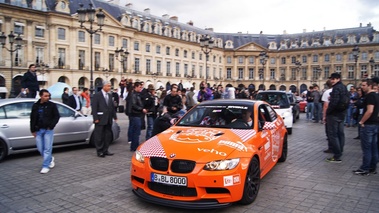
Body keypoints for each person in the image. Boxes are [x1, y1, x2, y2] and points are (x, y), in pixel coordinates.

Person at [30, 89, 60, 174]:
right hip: (38, 129)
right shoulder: (35, 106)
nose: (47, 97)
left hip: (48, 130)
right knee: (40, 148)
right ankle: (50, 159)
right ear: (41, 96)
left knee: (47, 148)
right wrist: (32, 130)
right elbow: (32, 118)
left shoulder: (52, 105)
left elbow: (57, 116)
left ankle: (45, 166)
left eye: (48, 96)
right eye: (45, 96)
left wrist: (51, 126)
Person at [353, 79, 379, 175]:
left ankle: (365, 168)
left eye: (364, 85)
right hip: (376, 124)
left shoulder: (370, 96)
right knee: (374, 147)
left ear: (370, 86)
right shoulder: (376, 95)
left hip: (368, 124)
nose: (362, 87)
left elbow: (370, 111)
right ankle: (372, 167)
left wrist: (361, 121)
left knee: (367, 148)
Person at [325, 73, 349, 163]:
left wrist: (328, 112)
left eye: (333, 79)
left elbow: (334, 102)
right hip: (342, 113)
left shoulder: (336, 88)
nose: (332, 80)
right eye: (331, 79)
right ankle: (340, 151)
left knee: (333, 135)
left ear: (338, 79)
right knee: (340, 134)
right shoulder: (344, 87)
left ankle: (336, 155)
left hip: (334, 115)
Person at [91, 81, 118, 157]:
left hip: (108, 119)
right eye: (108, 86)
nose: (110, 88)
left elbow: (112, 107)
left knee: (107, 135)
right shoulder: (97, 95)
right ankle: (99, 151)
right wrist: (95, 118)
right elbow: (94, 107)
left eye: (110, 86)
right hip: (100, 118)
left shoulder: (109, 95)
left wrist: (115, 116)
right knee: (99, 135)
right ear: (104, 86)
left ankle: (105, 150)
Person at [125, 82, 147, 151]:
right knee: (136, 131)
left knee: (137, 131)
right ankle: (134, 146)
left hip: (137, 114)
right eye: (140, 87)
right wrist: (141, 109)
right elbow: (134, 105)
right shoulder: (133, 95)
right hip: (135, 114)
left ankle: (135, 145)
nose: (141, 89)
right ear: (136, 87)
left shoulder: (137, 94)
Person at [322, 80, 333, 153]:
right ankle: (339, 149)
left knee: (330, 132)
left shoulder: (327, 92)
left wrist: (324, 116)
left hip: (330, 115)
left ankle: (331, 148)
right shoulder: (342, 91)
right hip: (340, 115)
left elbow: (325, 106)